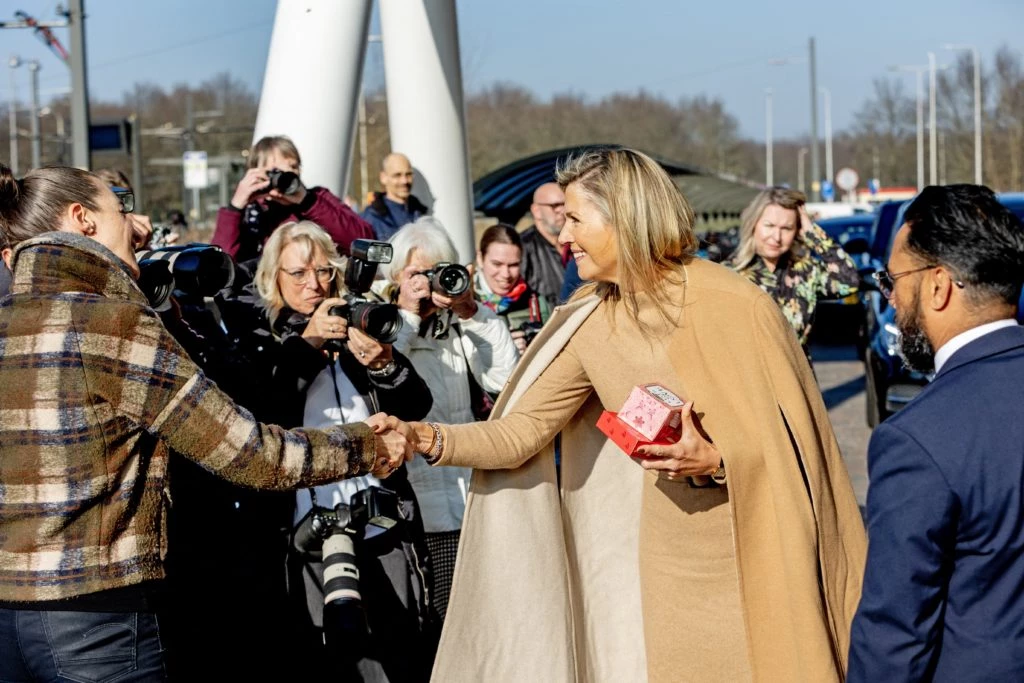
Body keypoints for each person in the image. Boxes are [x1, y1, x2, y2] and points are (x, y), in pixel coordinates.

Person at [374, 149, 866, 682]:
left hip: (758, 560)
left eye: (576, 219)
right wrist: (422, 436)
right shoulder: (590, 319)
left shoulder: (737, 305)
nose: (562, 237)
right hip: (661, 568)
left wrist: (720, 459)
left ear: (625, 219)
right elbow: (522, 432)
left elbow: (801, 462)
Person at [0, 164, 411, 681]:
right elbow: (250, 454)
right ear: (83, 219)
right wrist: (365, 446)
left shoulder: (10, 316)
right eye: (121, 208)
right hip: (99, 618)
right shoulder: (112, 322)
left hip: (10, 614)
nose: (137, 223)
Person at [848, 185, 1024, 682]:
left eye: (893, 279)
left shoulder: (917, 438)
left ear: (938, 285)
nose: (891, 297)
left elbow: (895, 634)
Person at [250, 221, 439, 680]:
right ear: (273, 278)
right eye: (297, 274)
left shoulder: (360, 322)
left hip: (380, 517)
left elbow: (418, 405)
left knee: (401, 649)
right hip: (306, 526)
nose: (313, 284)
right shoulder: (263, 337)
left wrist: (386, 363)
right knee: (335, 656)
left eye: (321, 271)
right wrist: (310, 342)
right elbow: (265, 408)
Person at [376, 216, 519, 620]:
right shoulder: (384, 323)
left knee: (482, 614)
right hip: (418, 503)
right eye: (417, 273)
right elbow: (385, 381)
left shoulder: (460, 324)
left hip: (468, 495)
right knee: (439, 615)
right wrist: (406, 314)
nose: (428, 283)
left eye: (437, 272)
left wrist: (471, 310)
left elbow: (504, 379)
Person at [730, 187, 859, 362]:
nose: (776, 237)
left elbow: (849, 280)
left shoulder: (806, 272)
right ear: (753, 224)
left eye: (786, 228)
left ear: (797, 231)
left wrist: (811, 233)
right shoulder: (729, 274)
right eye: (769, 226)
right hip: (746, 381)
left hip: (796, 381)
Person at [212, 135, 373, 268]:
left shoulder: (317, 199)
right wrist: (235, 207)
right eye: (275, 171)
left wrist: (308, 202)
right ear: (253, 172)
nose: (286, 175)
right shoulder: (249, 213)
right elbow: (218, 268)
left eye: (293, 167)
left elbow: (363, 242)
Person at [474, 223, 551, 355]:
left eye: (514, 265)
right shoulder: (464, 301)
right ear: (480, 259)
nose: (506, 274)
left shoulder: (536, 303)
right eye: (497, 264)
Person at [521, 182, 568, 309]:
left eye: (565, 204)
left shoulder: (578, 242)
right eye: (555, 205)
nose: (562, 210)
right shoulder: (523, 248)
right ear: (536, 211)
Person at [362, 152, 429, 241]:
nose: (404, 181)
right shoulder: (371, 219)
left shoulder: (421, 214)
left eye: (408, 174)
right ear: (383, 178)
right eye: (397, 175)